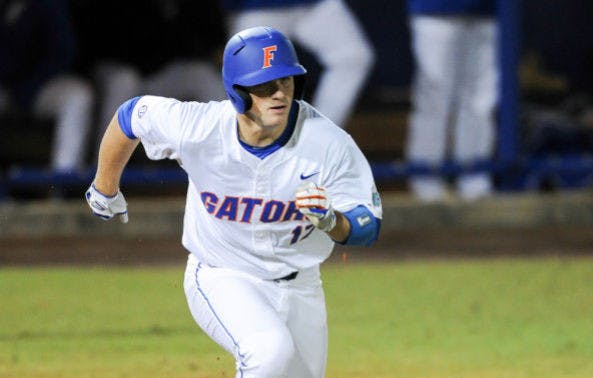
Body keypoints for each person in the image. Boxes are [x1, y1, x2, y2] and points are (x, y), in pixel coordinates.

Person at [84, 26, 382, 378]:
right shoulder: (201, 127)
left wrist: (333, 221)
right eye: (263, 82)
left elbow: (367, 224)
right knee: (266, 351)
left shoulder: (326, 143)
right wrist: (105, 186)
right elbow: (130, 115)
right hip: (220, 275)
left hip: (298, 285)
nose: (279, 92)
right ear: (236, 90)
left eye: (286, 80)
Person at [70, 0, 227, 147]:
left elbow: (209, 34)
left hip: (159, 71)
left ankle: (224, 158)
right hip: (115, 69)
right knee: (125, 81)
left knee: (203, 77)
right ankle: (104, 167)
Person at [223, 0, 375, 128]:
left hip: (313, 5)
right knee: (247, 77)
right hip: (257, 7)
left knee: (352, 57)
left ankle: (318, 140)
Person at [406, 0, 498, 202]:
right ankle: (426, 185)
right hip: (435, 9)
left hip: (488, 11)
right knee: (434, 98)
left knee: (480, 100)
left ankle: (475, 182)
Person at [0, 0, 93, 173]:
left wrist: (27, 88)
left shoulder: (49, 5)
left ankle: (61, 183)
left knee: (78, 96)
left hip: (36, 87)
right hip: (7, 87)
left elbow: (63, 52)